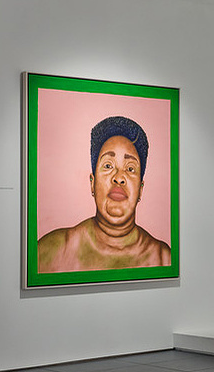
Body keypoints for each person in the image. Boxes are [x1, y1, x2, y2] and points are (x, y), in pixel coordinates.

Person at [37, 115, 171, 272]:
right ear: (92, 183)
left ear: (140, 190)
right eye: (108, 165)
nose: (119, 178)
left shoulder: (163, 259)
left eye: (130, 168)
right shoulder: (51, 252)